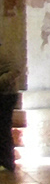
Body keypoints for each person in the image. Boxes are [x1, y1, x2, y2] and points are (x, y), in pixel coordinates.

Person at [0, 40, 17, 171]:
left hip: (5, 96)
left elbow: (15, 71)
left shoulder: (3, 55)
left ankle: (6, 162)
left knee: (3, 129)